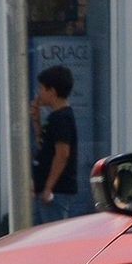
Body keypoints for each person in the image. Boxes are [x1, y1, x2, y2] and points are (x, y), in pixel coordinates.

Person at [30, 64, 79, 223]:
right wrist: (36, 121)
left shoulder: (61, 118)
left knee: (50, 236)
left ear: (52, 91)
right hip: (45, 188)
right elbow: (43, 144)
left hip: (56, 191)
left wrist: (49, 187)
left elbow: (62, 154)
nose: (39, 93)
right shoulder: (53, 118)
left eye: (41, 88)